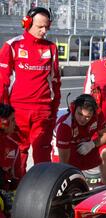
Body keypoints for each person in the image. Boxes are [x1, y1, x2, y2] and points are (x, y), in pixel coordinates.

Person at [0, 7, 61, 175]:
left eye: (46, 27)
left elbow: (56, 83)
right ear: (27, 23)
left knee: (43, 155)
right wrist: (4, 111)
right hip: (17, 111)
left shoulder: (51, 48)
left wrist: (54, 110)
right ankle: (14, 190)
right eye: (39, 27)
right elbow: (2, 82)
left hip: (43, 111)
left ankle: (42, 192)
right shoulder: (12, 46)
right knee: (18, 152)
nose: (43, 31)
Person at [55, 94, 106, 185]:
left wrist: (92, 144)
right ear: (74, 109)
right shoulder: (65, 125)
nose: (83, 119)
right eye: (80, 114)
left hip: (88, 147)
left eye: (87, 117)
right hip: (67, 153)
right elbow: (63, 162)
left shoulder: (98, 115)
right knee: (62, 170)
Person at [0, 104, 22, 218]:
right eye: (12, 120)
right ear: (3, 122)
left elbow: (17, 179)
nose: (15, 124)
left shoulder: (13, 146)